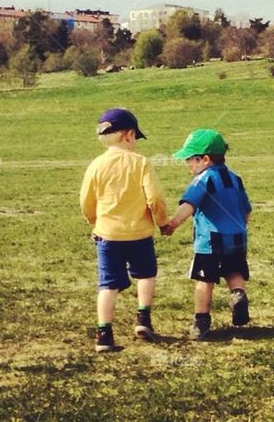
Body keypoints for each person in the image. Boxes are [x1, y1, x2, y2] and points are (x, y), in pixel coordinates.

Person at [79, 107, 168, 352]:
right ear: (129, 135)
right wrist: (161, 222)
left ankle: (104, 334)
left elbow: (86, 201)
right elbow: (155, 198)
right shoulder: (140, 163)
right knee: (146, 274)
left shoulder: (96, 165)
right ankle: (143, 318)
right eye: (135, 138)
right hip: (139, 233)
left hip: (107, 235)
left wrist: (94, 222)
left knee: (107, 284)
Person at [162, 128, 252, 339]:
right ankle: (238, 294)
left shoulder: (203, 179)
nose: (188, 164)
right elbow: (246, 210)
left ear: (205, 159)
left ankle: (201, 321)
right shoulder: (235, 178)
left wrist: (174, 223)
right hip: (237, 238)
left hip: (210, 241)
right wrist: (240, 226)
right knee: (234, 272)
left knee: (205, 280)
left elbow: (190, 205)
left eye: (190, 159)